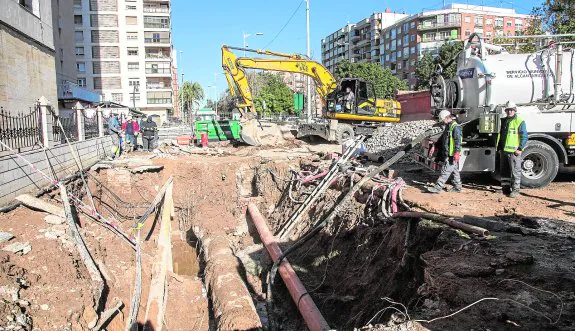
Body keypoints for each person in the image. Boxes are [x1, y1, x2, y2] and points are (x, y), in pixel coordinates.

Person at [497, 101, 527, 198]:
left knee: (515, 171)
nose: (509, 112)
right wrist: (499, 148)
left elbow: (524, 136)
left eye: (511, 110)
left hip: (514, 152)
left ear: (515, 110)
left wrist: (520, 148)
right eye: (508, 110)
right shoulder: (504, 120)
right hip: (504, 150)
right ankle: (505, 189)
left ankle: (515, 190)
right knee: (504, 171)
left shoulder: (519, 121)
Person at [427, 110, 462, 193]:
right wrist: (435, 146)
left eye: (443, 120)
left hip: (452, 154)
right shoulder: (448, 126)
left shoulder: (455, 127)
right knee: (454, 170)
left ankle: (437, 187)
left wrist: (456, 152)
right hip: (448, 153)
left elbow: (458, 141)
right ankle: (458, 187)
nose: (443, 122)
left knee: (445, 171)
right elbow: (443, 139)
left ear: (447, 118)